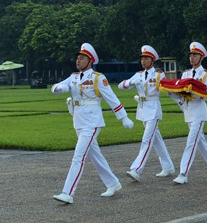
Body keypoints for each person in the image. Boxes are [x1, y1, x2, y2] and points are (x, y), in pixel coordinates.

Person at [50, 43, 134, 204]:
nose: (78, 61)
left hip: (92, 122)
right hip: (78, 121)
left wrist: (123, 117)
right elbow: (63, 85)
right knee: (95, 155)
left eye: (81, 58)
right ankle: (113, 183)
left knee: (78, 156)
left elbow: (111, 97)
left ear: (90, 61)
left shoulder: (97, 78)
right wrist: (58, 87)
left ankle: (67, 193)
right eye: (77, 58)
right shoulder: (74, 76)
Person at [118, 45, 175, 182]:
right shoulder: (138, 75)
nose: (143, 61)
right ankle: (168, 167)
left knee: (147, 140)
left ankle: (136, 169)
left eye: (146, 58)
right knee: (157, 141)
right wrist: (131, 81)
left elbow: (168, 89)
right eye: (142, 58)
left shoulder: (158, 74)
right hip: (143, 109)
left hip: (154, 109)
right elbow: (121, 86)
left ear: (152, 60)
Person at [169, 42, 207, 184]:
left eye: (195, 55)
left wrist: (191, 91)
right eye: (191, 55)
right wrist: (170, 91)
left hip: (198, 111)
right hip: (188, 112)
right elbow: (180, 95)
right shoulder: (185, 73)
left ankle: (183, 173)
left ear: (201, 57)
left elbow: (206, 94)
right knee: (200, 142)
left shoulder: (206, 74)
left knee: (191, 143)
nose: (192, 57)